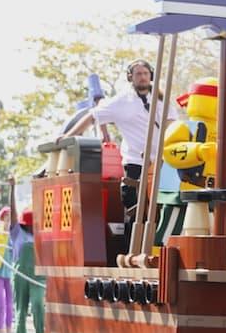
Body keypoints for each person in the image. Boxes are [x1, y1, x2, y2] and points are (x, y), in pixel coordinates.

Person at [70, 59, 166, 216]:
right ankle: (134, 240)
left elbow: (172, 124)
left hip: (162, 164)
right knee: (135, 211)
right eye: (138, 74)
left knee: (161, 209)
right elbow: (92, 116)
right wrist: (69, 135)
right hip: (136, 163)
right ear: (130, 77)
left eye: (145, 73)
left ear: (151, 76)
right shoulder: (122, 101)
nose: (142, 77)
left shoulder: (162, 100)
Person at [7, 179, 45, 333]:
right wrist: (12, 188)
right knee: (20, 310)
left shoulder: (42, 235)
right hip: (21, 274)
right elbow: (13, 213)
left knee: (39, 306)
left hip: (39, 276)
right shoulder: (17, 233)